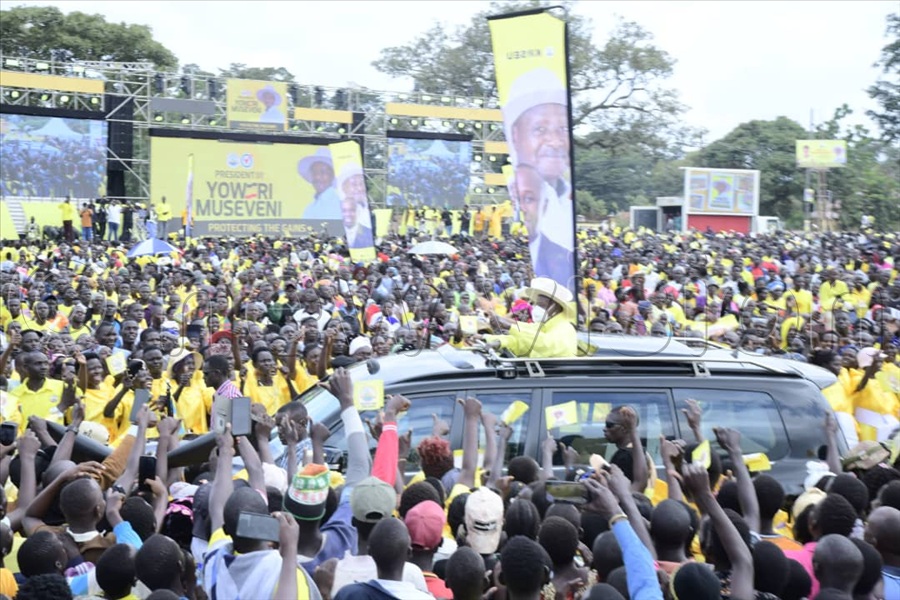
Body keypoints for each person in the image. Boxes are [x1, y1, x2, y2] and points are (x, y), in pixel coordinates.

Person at [483, 277, 578, 358]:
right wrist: (493, 340)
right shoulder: (543, 326)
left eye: (541, 305)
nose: (536, 308)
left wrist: (509, 326)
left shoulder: (565, 328)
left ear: (555, 306)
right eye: (536, 304)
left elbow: (545, 344)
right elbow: (524, 342)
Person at [513, 163, 574, 288]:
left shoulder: (562, 254)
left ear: (545, 205)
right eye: (520, 200)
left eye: (529, 199)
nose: (523, 207)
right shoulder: (520, 247)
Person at [300, 148, 343, 220]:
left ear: (333, 175)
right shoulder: (310, 208)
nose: (317, 177)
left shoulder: (340, 203)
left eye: (323, 172)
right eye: (314, 172)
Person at [338, 165, 374, 250]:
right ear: (344, 188)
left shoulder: (370, 214)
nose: (359, 188)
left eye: (361, 184)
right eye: (354, 184)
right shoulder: (337, 212)